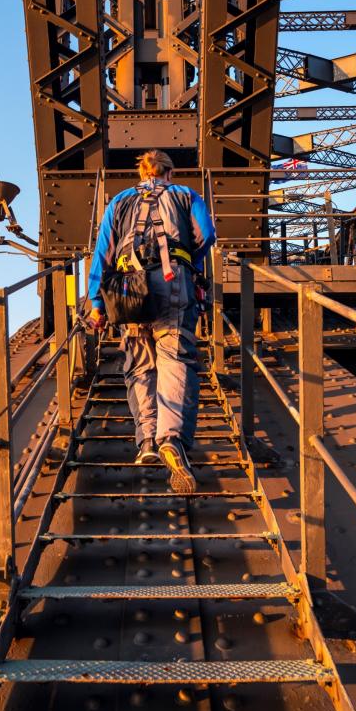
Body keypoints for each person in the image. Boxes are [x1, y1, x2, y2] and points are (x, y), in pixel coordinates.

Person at [87, 150, 216, 493]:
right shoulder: (187, 196)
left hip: (129, 286)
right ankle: (170, 439)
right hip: (174, 283)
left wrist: (97, 302)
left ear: (142, 172)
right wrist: (187, 260)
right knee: (174, 359)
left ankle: (145, 440)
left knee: (139, 364)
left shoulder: (119, 201)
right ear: (170, 173)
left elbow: (104, 253)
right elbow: (207, 234)